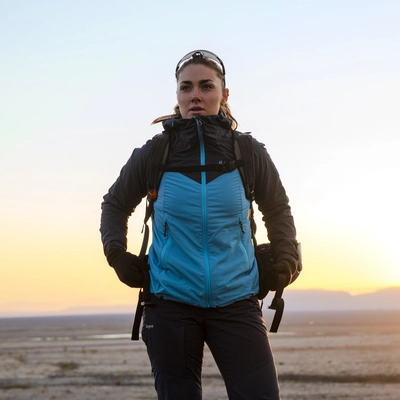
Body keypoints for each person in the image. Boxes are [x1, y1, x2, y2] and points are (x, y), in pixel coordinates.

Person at [100, 50, 299, 400]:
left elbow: (277, 209)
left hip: (237, 300)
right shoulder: (155, 153)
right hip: (170, 303)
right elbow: (115, 205)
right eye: (186, 87)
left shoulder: (248, 152)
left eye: (206, 86)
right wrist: (117, 255)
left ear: (224, 94)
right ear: (177, 95)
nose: (195, 95)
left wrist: (287, 257)